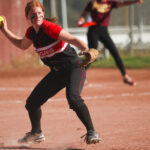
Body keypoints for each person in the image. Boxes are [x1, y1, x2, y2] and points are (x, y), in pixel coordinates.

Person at [0, 0, 101, 145]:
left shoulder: (49, 28)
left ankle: (92, 131)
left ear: (43, 14)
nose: (37, 16)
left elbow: (73, 39)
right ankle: (36, 133)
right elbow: (22, 45)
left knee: (73, 98)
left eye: (40, 13)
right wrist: (4, 30)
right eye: (33, 14)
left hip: (74, 67)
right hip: (57, 73)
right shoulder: (31, 33)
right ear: (28, 17)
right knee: (32, 103)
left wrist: (86, 50)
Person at [78, 0, 143, 86]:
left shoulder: (110, 3)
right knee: (91, 55)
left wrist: (135, 1)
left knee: (115, 52)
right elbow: (83, 14)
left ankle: (125, 76)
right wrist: (81, 20)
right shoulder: (92, 2)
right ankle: (80, 76)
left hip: (104, 31)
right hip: (93, 31)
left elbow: (123, 3)